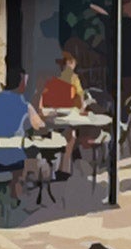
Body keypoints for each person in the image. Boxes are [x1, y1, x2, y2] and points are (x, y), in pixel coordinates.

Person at [0, 68, 45, 200]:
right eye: (25, 81)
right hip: (10, 161)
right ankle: (18, 198)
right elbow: (40, 126)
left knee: (16, 152)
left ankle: (7, 200)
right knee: (35, 158)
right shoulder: (23, 104)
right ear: (22, 83)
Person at [90, 0, 131, 120]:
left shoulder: (116, 22)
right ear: (124, 7)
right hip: (129, 66)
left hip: (124, 65)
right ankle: (130, 115)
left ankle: (125, 115)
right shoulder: (130, 23)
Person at [36, 50, 95, 182]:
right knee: (71, 134)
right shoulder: (73, 78)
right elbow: (80, 99)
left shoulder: (50, 77)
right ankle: (65, 168)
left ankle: (64, 164)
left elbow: (41, 98)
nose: (73, 66)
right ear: (69, 63)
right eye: (72, 63)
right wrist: (82, 107)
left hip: (51, 116)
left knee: (69, 132)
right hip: (63, 117)